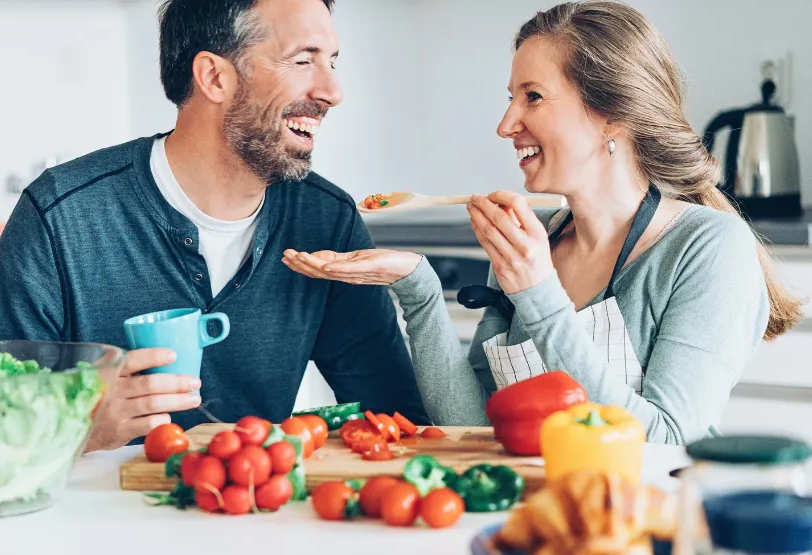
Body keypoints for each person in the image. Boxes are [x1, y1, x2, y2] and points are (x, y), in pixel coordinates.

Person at [283, 1, 804, 446]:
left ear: (612, 113)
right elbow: (475, 426)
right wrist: (417, 288)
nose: (506, 124)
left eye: (532, 96)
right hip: (538, 523)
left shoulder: (706, 248)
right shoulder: (538, 242)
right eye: (510, 98)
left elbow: (666, 443)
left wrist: (538, 294)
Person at [0, 0, 429, 451]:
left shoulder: (326, 219)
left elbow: (393, 417)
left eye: (331, 62)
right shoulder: (61, 215)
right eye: (303, 60)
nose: (332, 91)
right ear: (213, 76)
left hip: (255, 512)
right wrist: (77, 428)